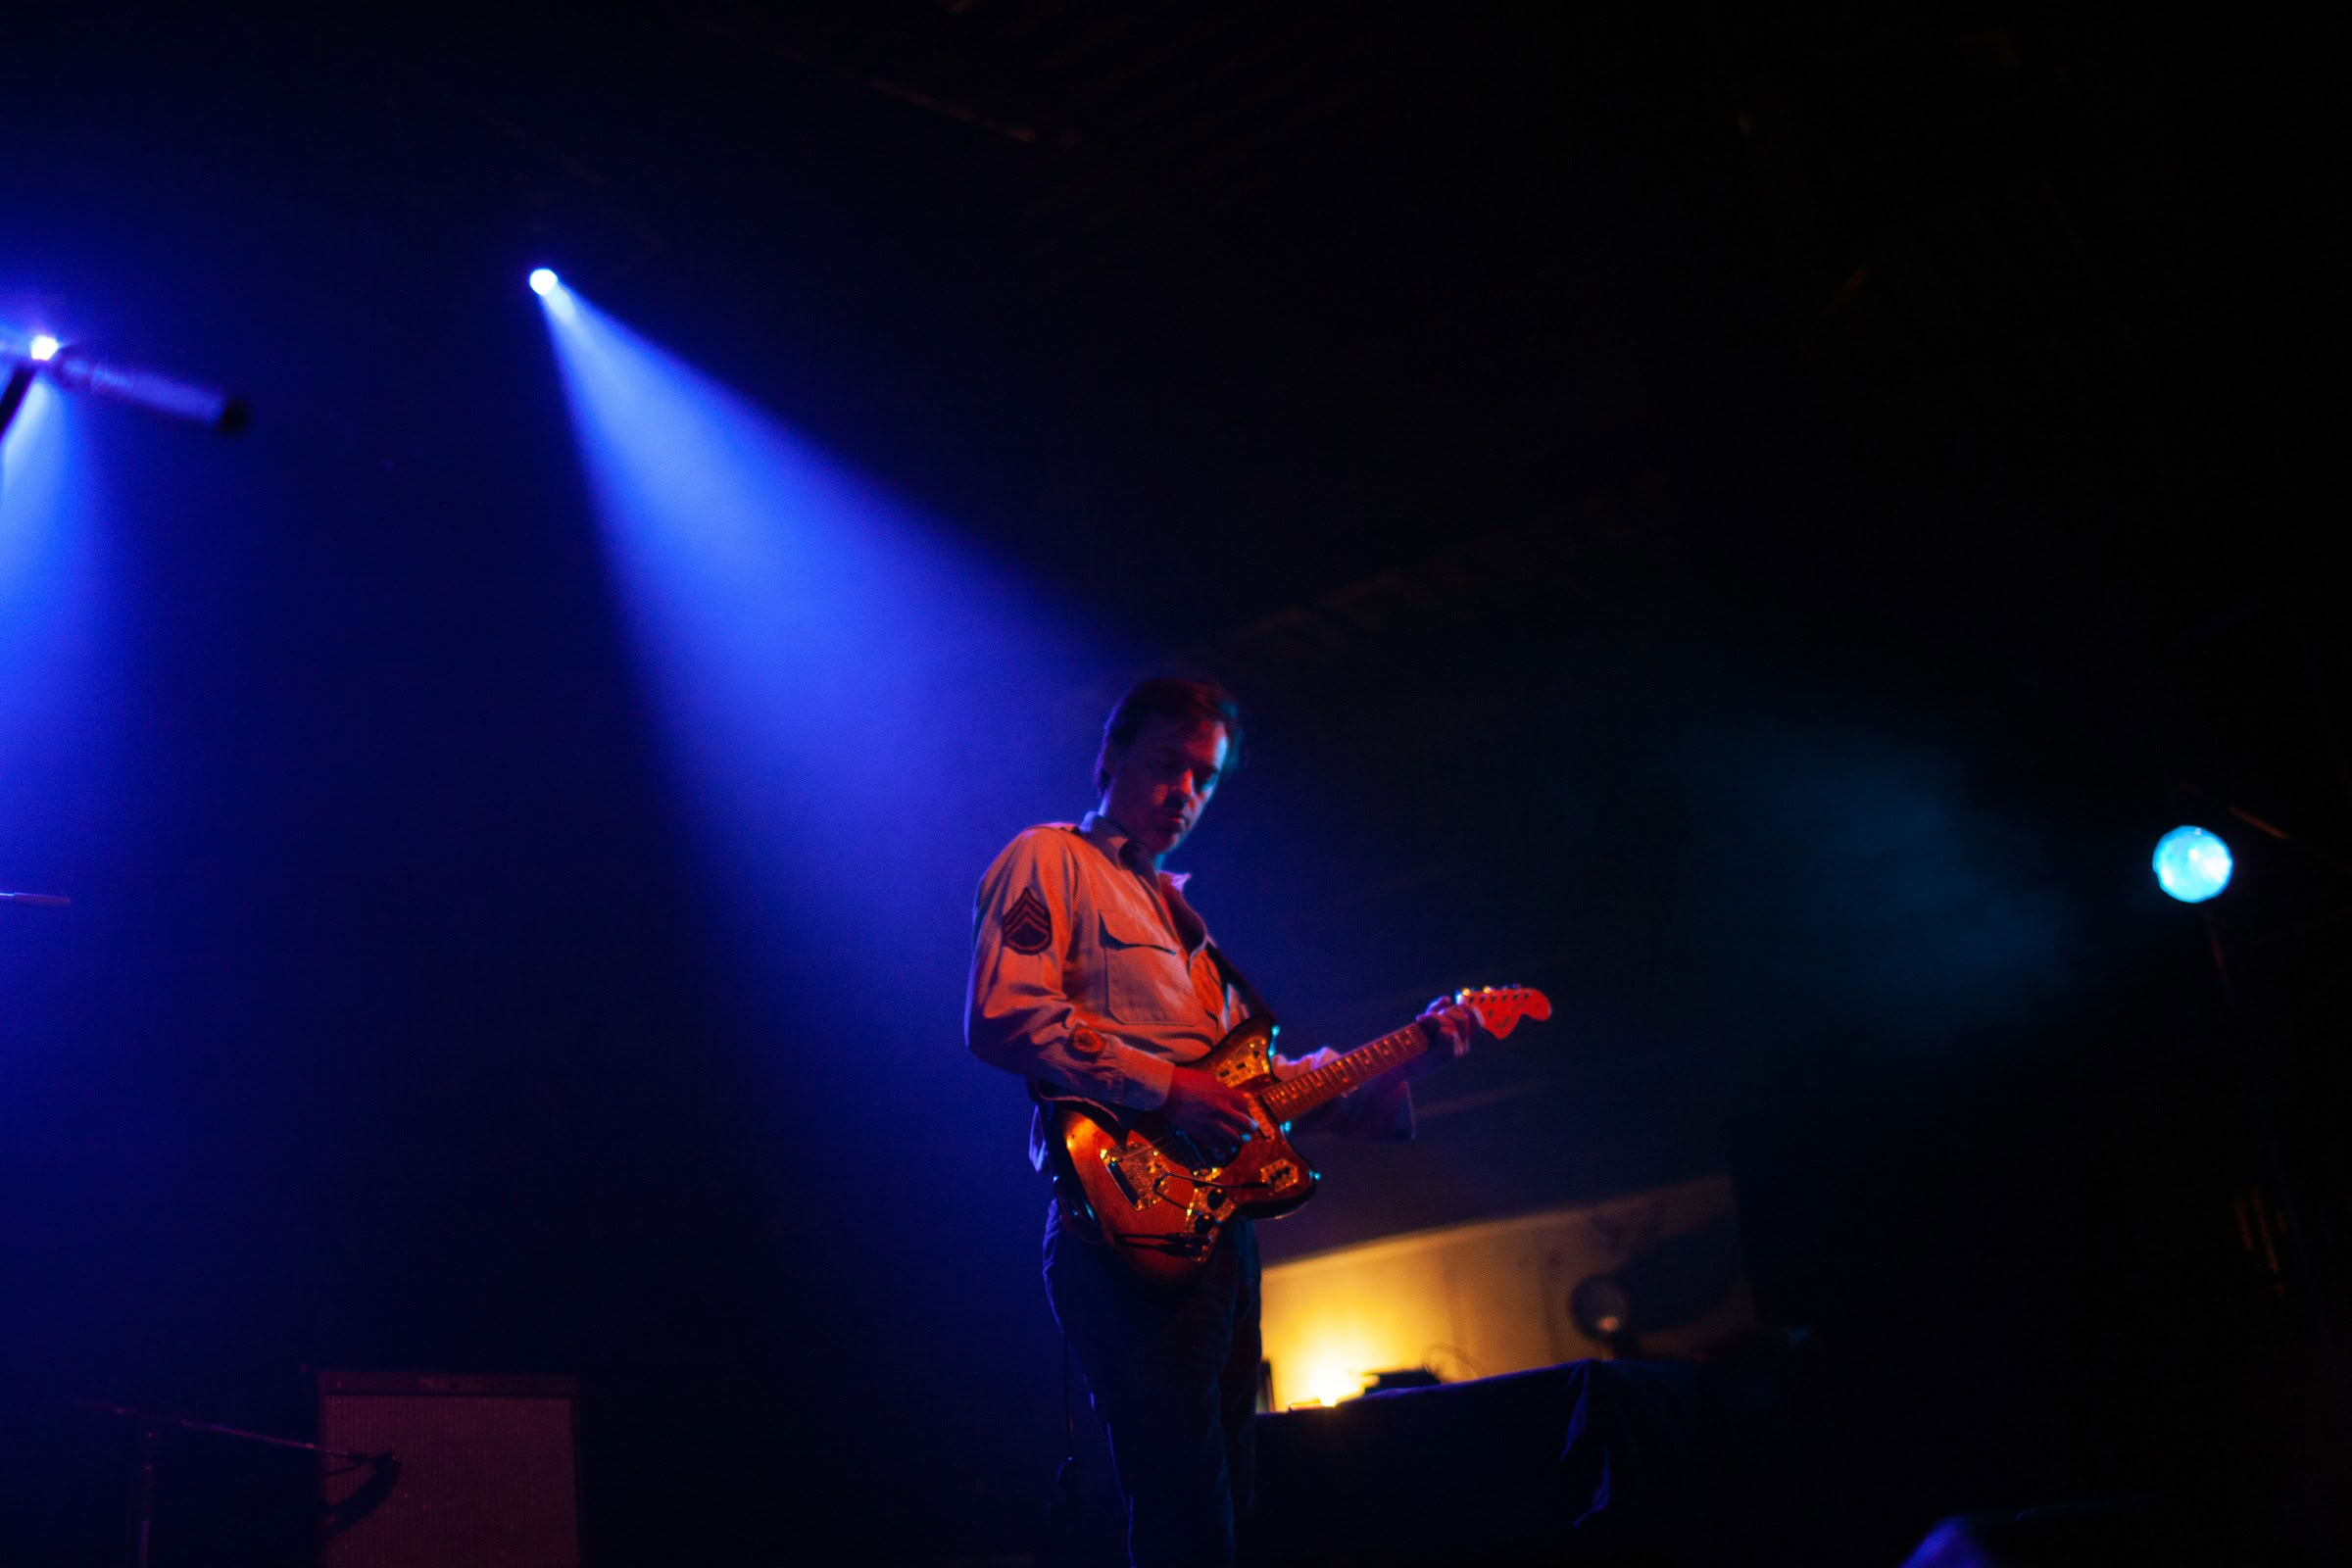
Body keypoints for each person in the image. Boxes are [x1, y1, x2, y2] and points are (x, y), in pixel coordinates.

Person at [965, 677, 1476, 1568]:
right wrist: (1170, 1090)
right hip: (1121, 1224)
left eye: (1204, 778)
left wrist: (1408, 1057)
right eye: (1170, 764)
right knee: (1185, 1505)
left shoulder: (1188, 925)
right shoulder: (1050, 859)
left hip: (1220, 1233)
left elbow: (1260, 1097)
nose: (1186, 793)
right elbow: (1004, 1016)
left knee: (1232, 1500)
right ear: (1110, 755)